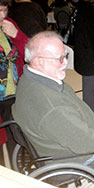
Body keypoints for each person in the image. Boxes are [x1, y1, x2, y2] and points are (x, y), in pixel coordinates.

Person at [12, 31, 94, 188]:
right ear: (38, 61)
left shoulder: (30, 78)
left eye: (65, 56)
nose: (65, 63)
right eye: (59, 59)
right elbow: (83, 142)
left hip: (57, 138)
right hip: (68, 158)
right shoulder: (52, 106)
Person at [0, 0, 28, 167]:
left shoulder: (9, 25)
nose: (2, 16)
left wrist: (17, 35)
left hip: (14, 92)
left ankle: (18, 172)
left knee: (16, 136)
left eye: (4, 10)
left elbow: (28, 53)